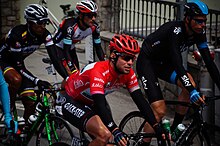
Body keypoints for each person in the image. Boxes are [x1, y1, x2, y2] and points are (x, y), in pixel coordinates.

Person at [56, 34, 166, 146]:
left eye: (132, 58)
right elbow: (100, 104)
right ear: (113, 55)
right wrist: (115, 129)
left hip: (92, 101)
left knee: (112, 142)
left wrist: (156, 126)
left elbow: (141, 102)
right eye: (126, 58)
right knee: (105, 135)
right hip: (71, 99)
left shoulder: (128, 74)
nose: (130, 63)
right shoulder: (98, 71)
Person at [136, 0, 220, 141]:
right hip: (148, 63)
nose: (203, 25)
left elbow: (209, 63)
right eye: (199, 21)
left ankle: (174, 132)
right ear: (187, 19)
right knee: (159, 110)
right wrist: (192, 91)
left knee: (190, 85)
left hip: (165, 65)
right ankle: (143, 143)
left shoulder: (199, 33)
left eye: (204, 21)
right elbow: (177, 63)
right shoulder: (175, 31)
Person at [0, 4, 56, 122]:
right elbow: (19, 67)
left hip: (17, 64)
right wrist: (37, 81)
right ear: (30, 23)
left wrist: (69, 76)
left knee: (31, 101)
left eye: (45, 23)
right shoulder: (17, 35)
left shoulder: (45, 35)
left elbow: (55, 58)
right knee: (16, 79)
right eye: (40, 23)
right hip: (3, 61)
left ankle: (24, 131)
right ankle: (8, 110)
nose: (43, 26)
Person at [53, 0, 105, 80]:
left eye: (95, 15)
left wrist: (104, 64)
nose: (93, 18)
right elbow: (66, 51)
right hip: (58, 48)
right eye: (90, 15)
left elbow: (98, 47)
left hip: (70, 48)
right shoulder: (70, 27)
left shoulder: (94, 27)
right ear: (81, 16)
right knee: (74, 77)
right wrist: (72, 69)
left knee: (77, 77)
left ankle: (64, 91)